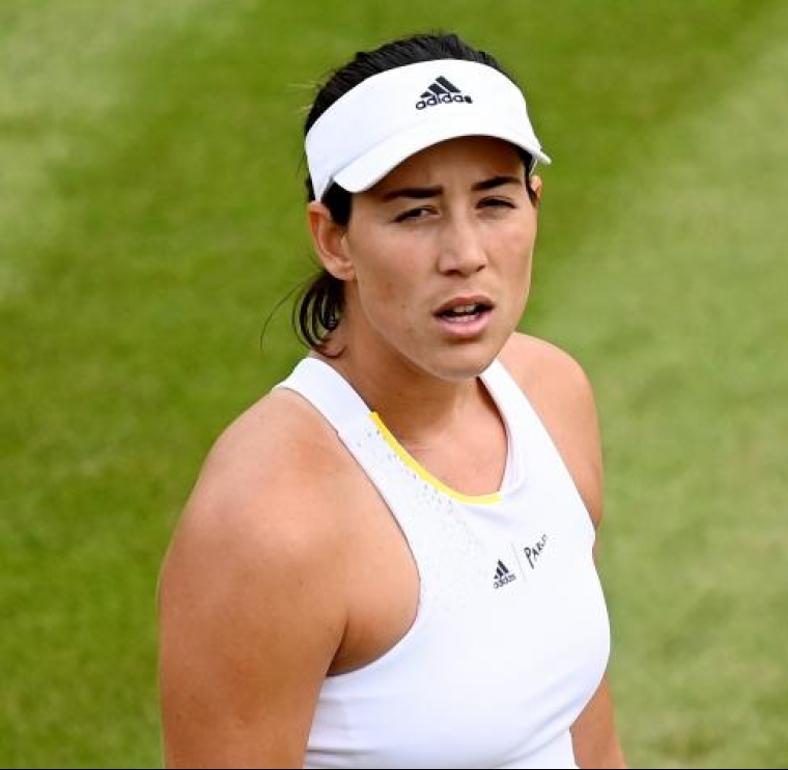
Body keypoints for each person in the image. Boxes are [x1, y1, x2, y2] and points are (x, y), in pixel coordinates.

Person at [158, 32, 626, 768]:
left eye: (495, 201)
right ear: (334, 239)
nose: (465, 252)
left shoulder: (551, 393)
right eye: (416, 212)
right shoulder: (269, 520)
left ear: (536, 205)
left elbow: (583, 727)